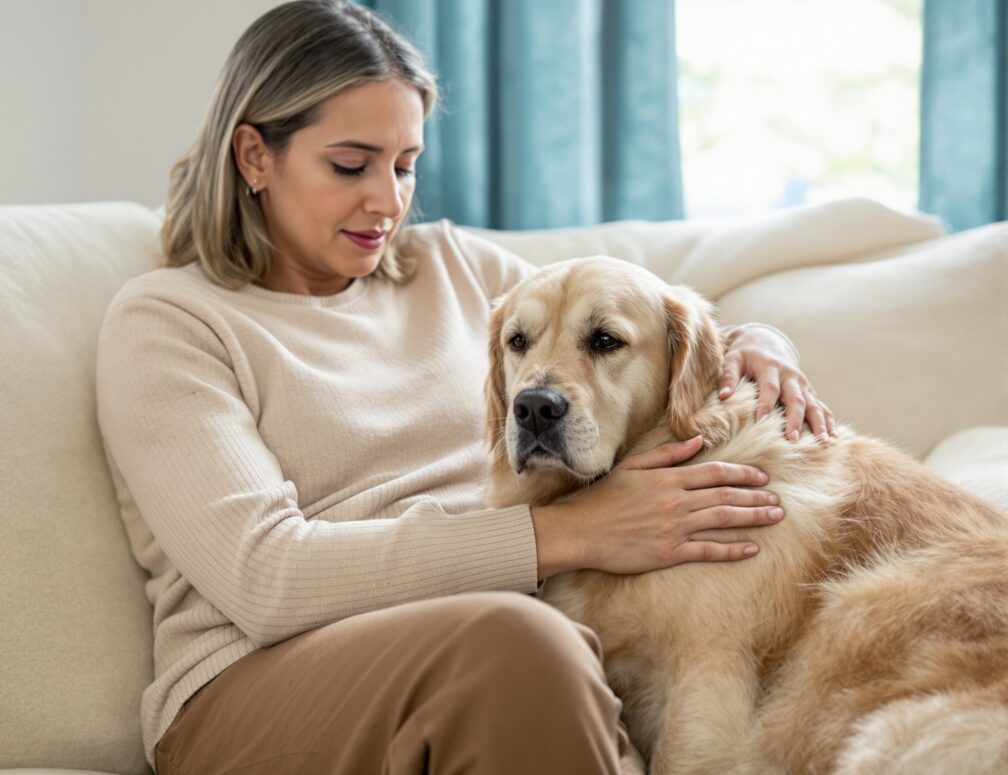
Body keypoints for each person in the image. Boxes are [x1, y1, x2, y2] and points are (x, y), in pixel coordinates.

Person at [95, 2, 837, 773]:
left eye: (404, 164)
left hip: (509, 656)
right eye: (350, 165)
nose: (387, 201)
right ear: (254, 155)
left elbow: (633, 322)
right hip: (253, 690)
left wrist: (759, 341)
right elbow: (265, 578)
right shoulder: (170, 322)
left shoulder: (454, 268)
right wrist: (575, 533)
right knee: (520, 643)